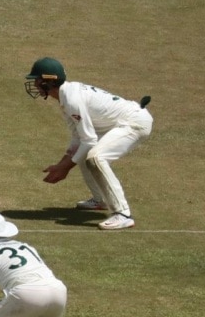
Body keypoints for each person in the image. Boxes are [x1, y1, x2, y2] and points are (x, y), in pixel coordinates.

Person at [25, 57, 153, 231]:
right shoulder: (66, 97)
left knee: (96, 157)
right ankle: (100, 199)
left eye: (38, 80)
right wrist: (62, 164)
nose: (36, 84)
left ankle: (123, 214)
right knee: (85, 153)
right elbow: (79, 139)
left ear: (48, 82)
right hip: (118, 123)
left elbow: (89, 140)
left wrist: (65, 168)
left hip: (134, 123)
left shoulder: (72, 100)